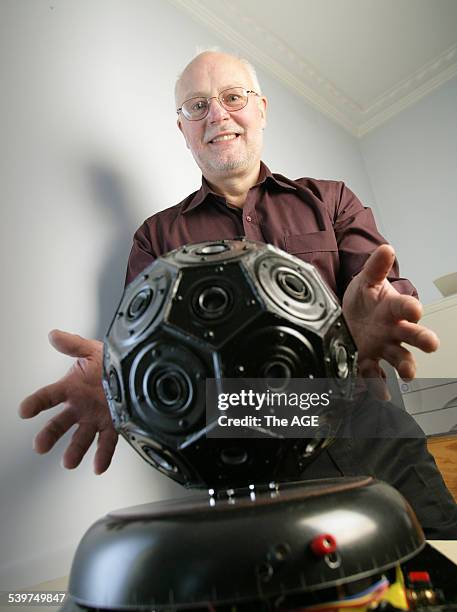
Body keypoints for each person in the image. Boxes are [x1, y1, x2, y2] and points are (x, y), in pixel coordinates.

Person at [19, 51, 457, 537]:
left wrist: (376, 309)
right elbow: (140, 349)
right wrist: (119, 382)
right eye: (197, 106)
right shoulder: (156, 237)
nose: (217, 115)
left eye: (232, 98)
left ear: (262, 109)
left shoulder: (331, 199)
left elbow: (381, 285)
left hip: (373, 432)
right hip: (250, 472)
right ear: (183, 129)